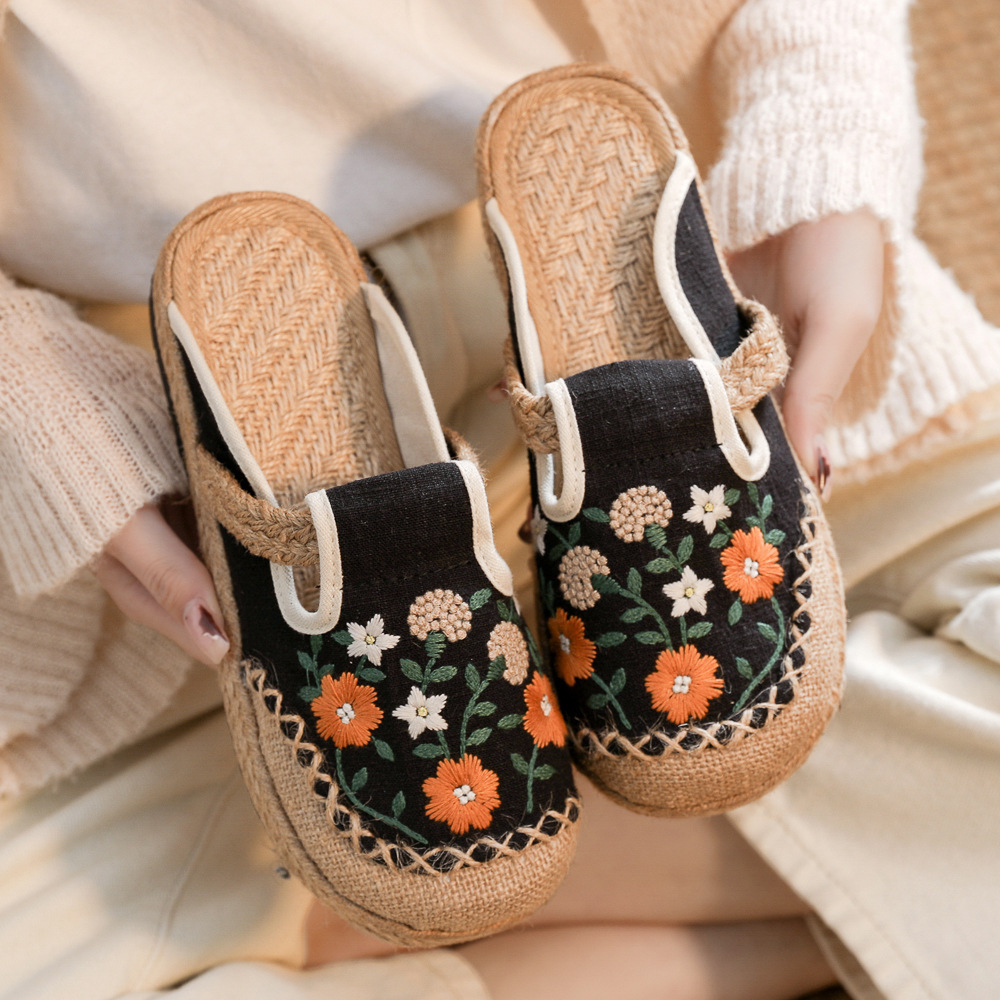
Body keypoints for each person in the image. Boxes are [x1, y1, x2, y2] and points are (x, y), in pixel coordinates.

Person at [0, 1, 997, 997]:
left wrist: (824, 152)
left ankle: (363, 922)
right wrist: (43, 435)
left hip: (609, 286)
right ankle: (859, 915)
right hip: (186, 416)